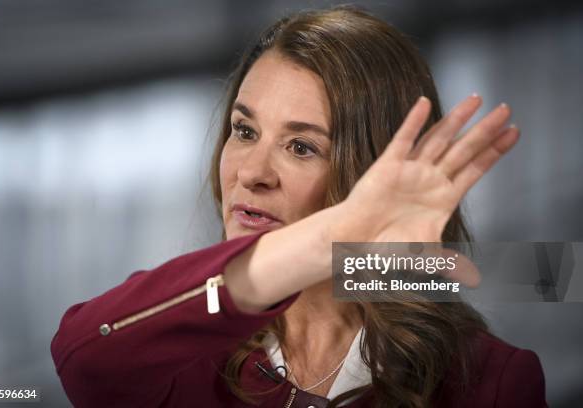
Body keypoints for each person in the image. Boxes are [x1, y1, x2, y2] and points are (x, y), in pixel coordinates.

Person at [51, 6, 546, 408]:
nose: (250, 173)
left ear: (370, 173)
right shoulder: (178, 343)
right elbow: (83, 357)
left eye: (302, 147)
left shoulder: (493, 384)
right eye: (244, 132)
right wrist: (329, 241)